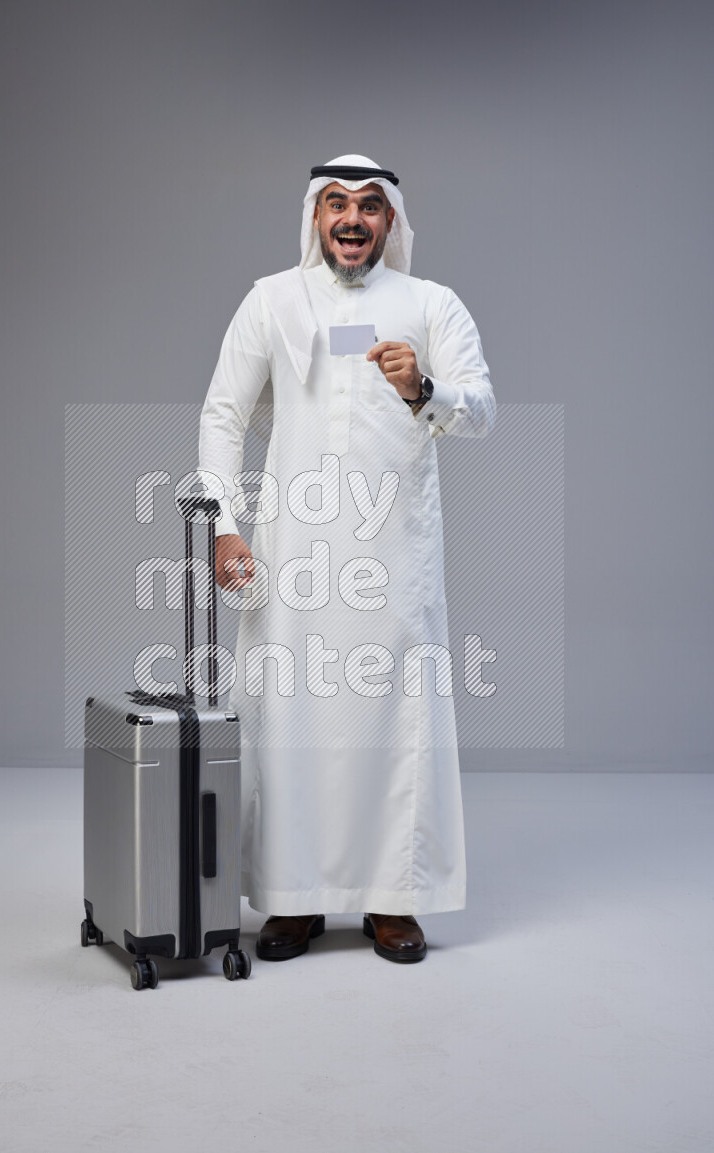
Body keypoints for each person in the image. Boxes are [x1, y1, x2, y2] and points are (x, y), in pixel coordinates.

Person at [198, 154, 495, 963]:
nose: (352, 218)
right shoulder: (272, 299)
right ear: (315, 217)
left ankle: (393, 899)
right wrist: (224, 523)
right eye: (336, 203)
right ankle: (294, 899)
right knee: (288, 718)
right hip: (292, 553)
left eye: (368, 204)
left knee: (394, 721)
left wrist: (423, 386)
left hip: (395, 555)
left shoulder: (430, 304)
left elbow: (481, 408)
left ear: (390, 219)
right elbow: (223, 414)